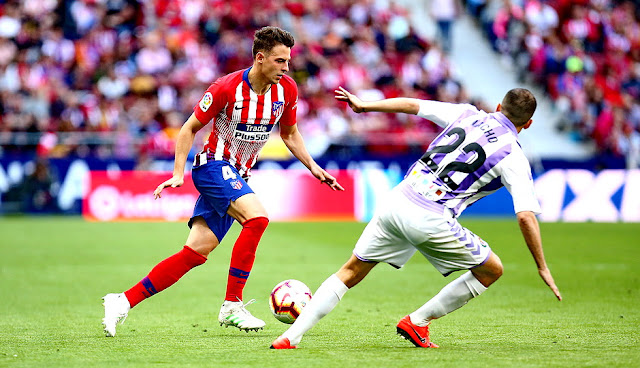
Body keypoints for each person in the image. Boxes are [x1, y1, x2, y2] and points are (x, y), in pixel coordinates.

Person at [271, 86, 562, 349]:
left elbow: (413, 105)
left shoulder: (466, 113)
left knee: (350, 271)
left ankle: (289, 337)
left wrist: (365, 105)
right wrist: (543, 267)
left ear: (498, 107)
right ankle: (418, 321)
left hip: (397, 198)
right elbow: (525, 216)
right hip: (431, 217)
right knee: (491, 270)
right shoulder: (513, 155)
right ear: (528, 124)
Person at [102, 26, 343, 337]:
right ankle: (232, 305)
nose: (287, 68)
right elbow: (188, 129)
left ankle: (121, 301)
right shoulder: (226, 88)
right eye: (281, 61)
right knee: (257, 219)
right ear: (260, 58)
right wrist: (178, 173)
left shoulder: (287, 90)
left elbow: (290, 134)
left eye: (288, 61)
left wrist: (313, 166)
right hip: (213, 166)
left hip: (238, 174)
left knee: (194, 254)